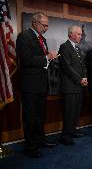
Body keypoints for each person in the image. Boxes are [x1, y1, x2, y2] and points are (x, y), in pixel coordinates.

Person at [16, 12, 58, 158]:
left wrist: (49, 60)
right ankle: (30, 147)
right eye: (44, 25)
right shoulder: (24, 36)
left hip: (42, 84)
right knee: (30, 117)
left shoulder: (42, 39)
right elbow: (26, 60)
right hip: (30, 85)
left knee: (40, 115)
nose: (46, 28)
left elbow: (41, 62)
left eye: (47, 25)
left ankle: (40, 141)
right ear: (34, 22)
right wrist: (46, 57)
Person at [58, 25, 88, 146]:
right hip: (70, 86)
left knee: (76, 111)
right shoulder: (64, 47)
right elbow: (67, 67)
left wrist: (85, 77)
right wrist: (80, 79)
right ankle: (65, 137)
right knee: (69, 112)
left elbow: (83, 65)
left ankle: (72, 131)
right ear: (71, 34)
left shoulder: (77, 48)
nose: (81, 36)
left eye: (81, 34)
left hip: (79, 85)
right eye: (79, 34)